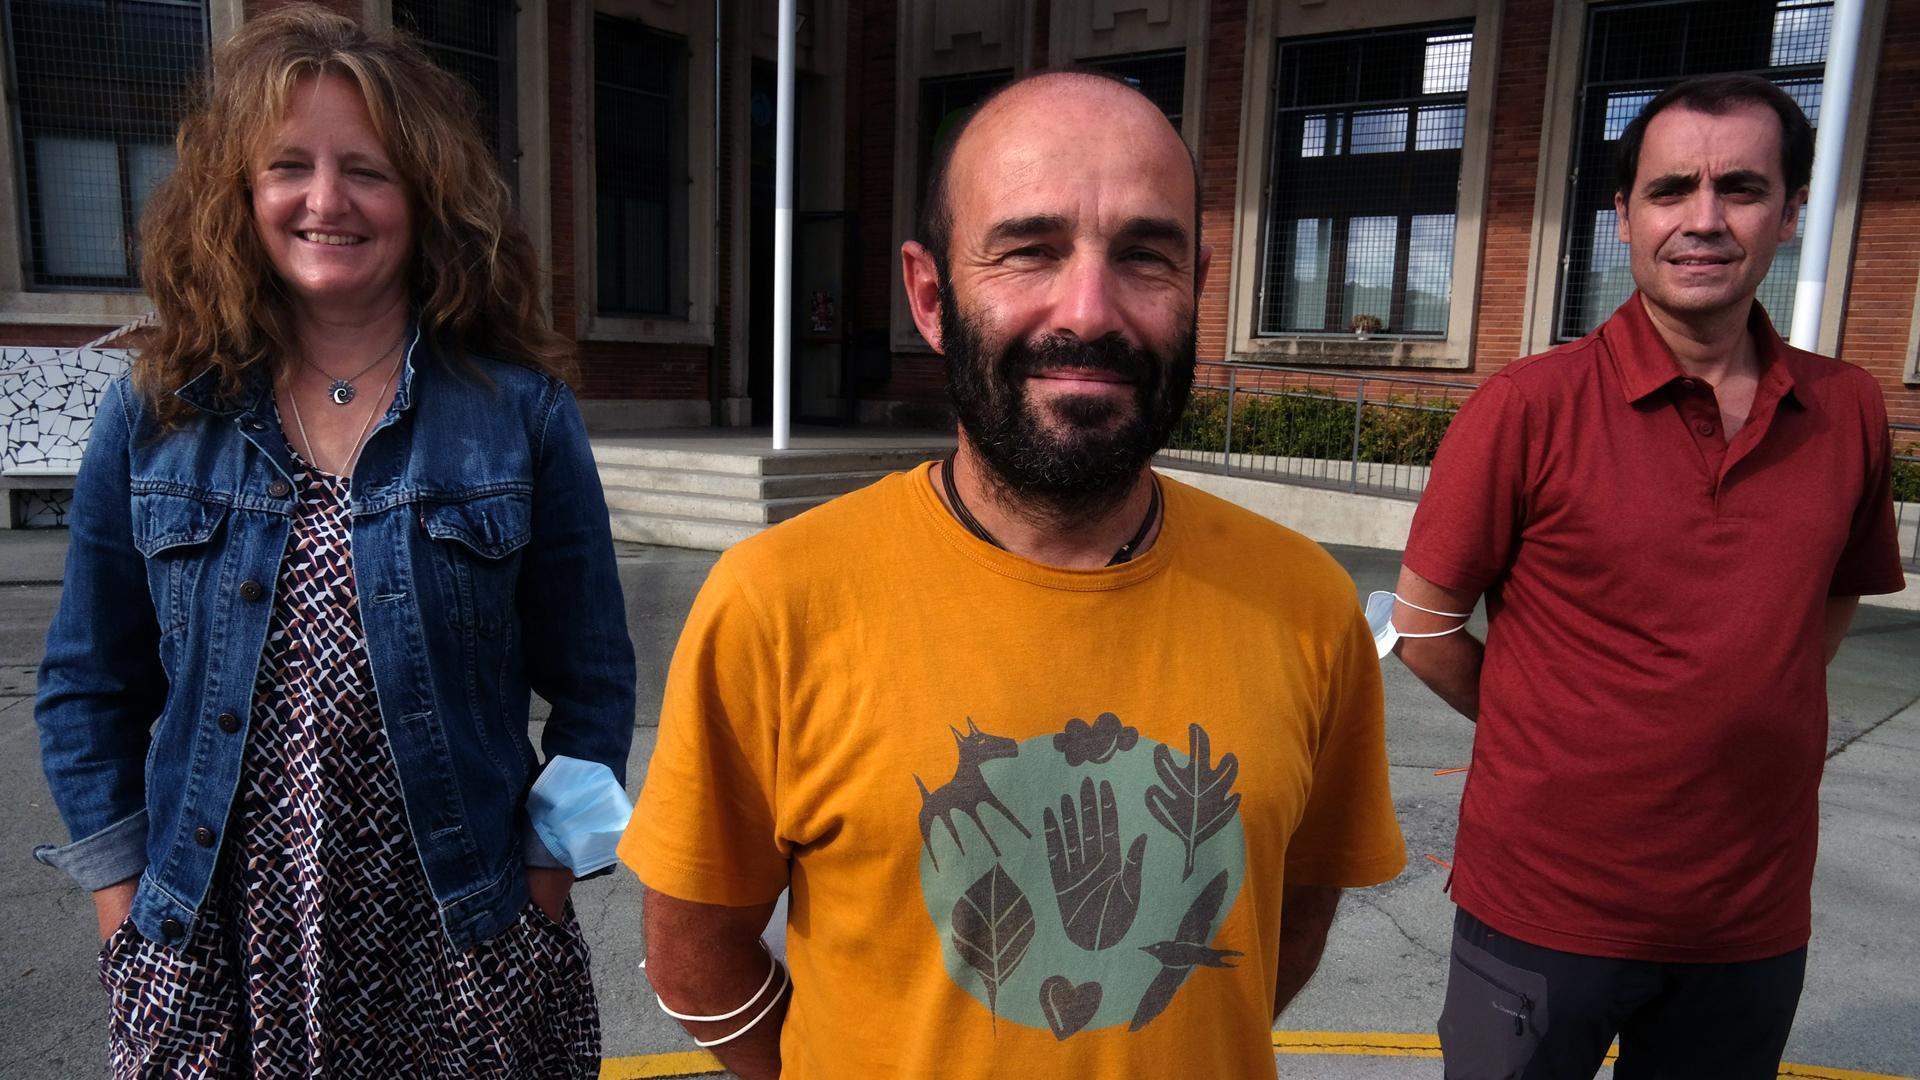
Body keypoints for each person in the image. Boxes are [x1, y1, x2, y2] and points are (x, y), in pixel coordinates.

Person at [621, 70, 1405, 1079]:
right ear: (931, 297)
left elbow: (1287, 924)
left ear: (1197, 287)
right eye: (1030, 250)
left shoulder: (1306, 605)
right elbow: (694, 958)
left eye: (1146, 255)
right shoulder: (776, 603)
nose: (1091, 310)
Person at [32, 8, 635, 1077]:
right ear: (237, 193)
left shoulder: (520, 417)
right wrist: (125, 912)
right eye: (289, 166)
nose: (326, 200)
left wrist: (542, 885)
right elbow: (86, 685)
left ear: (425, 197)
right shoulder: (158, 411)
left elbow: (593, 688)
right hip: (215, 940)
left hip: (462, 944)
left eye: (366, 170)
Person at [1389, 74, 1906, 1079]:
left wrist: (1741, 691)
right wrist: (1557, 726)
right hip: (1543, 905)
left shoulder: (1847, 409)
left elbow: (1833, 590)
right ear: (1624, 216)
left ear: (1791, 212)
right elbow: (1422, 625)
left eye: (1741, 188)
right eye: (1671, 190)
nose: (1703, 219)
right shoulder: (1528, 406)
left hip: (1749, 914)